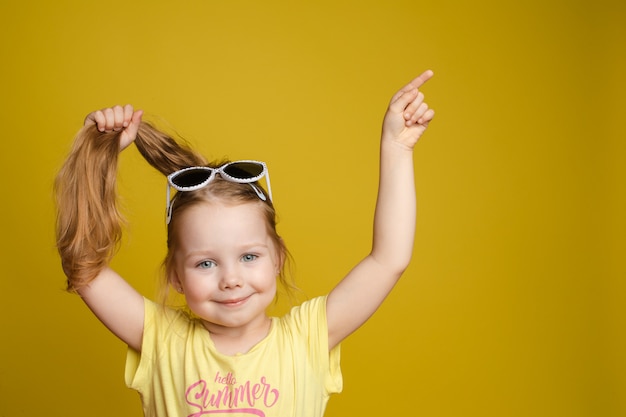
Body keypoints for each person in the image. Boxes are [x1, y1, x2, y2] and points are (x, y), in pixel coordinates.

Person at [55, 70, 435, 417]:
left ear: (277, 259)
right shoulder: (161, 341)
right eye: (206, 263)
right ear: (175, 275)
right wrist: (95, 155)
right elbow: (83, 267)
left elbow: (389, 259)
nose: (231, 279)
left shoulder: (307, 339)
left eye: (249, 256)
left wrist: (397, 150)